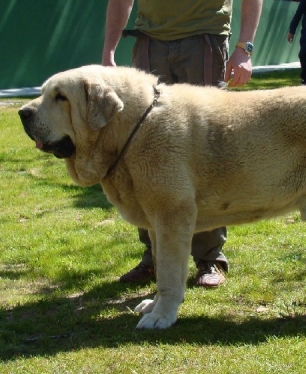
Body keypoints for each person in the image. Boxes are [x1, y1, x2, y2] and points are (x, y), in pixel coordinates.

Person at [101, 0, 262, 287]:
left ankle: (209, 258)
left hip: (203, 40)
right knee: (143, 149)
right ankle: (154, 258)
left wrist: (244, 48)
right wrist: (109, 50)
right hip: (150, 42)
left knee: (204, 150)